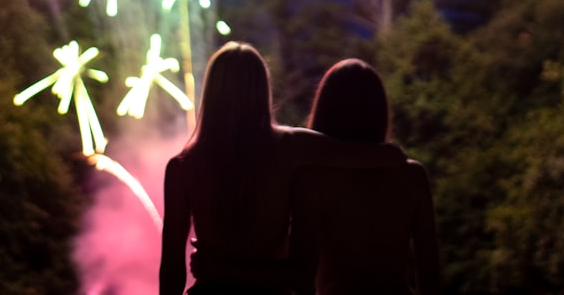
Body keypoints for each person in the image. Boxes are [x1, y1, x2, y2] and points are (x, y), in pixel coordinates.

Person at [159, 43, 403, 295]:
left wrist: (219, 271)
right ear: (262, 89)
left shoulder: (182, 167)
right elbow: (390, 156)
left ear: (211, 92)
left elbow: (171, 271)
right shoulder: (290, 147)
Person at [290, 58, 441, 295]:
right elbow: (431, 277)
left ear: (325, 111)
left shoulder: (311, 180)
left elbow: (300, 278)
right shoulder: (412, 176)